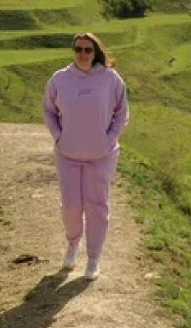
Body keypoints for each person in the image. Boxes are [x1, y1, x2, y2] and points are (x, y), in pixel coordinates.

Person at [42, 32, 129, 281]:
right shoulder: (60, 79)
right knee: (71, 206)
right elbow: (49, 111)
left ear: (96, 52)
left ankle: (93, 258)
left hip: (101, 156)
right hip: (67, 154)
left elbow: (122, 113)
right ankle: (72, 244)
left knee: (96, 206)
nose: (82, 54)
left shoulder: (111, 79)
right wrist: (59, 136)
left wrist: (109, 138)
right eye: (78, 49)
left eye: (87, 50)